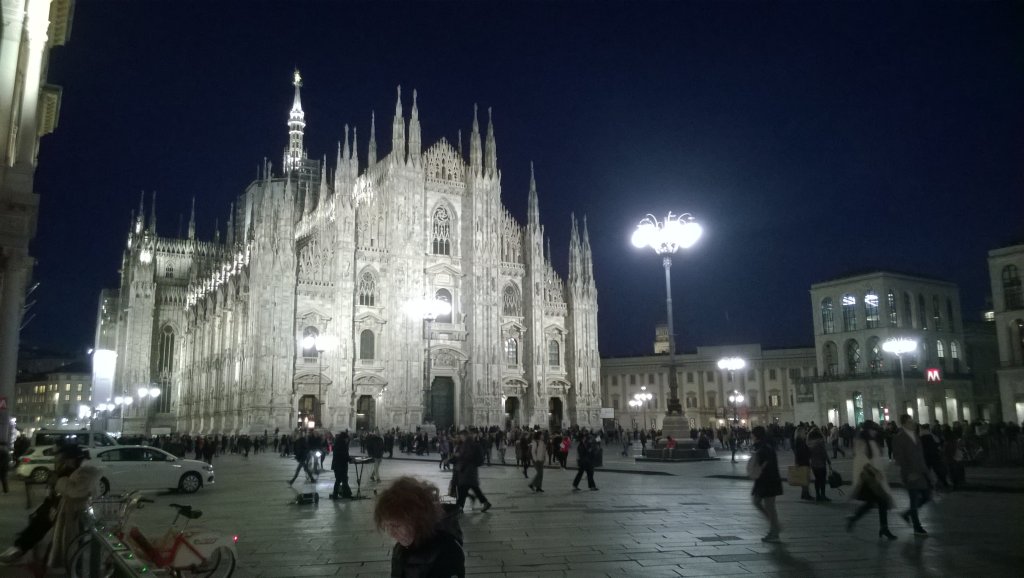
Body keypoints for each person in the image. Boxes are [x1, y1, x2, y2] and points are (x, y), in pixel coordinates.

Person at [0, 444, 93, 565]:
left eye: (59, 456)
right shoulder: (66, 468)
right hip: (55, 507)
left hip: (68, 511)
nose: (56, 459)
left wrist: (56, 484)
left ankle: (22, 550)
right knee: (37, 525)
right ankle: (20, 549)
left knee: (45, 530)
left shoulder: (80, 472)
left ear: (69, 458)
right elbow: (55, 491)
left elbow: (73, 491)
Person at [374, 476, 465, 577]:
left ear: (419, 520)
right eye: (387, 526)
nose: (392, 533)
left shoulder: (447, 551)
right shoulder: (400, 548)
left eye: (396, 525)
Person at [845, 422, 897, 540]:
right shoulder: (862, 441)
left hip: (873, 476)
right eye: (873, 430)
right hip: (869, 478)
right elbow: (862, 459)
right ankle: (883, 528)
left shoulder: (871, 440)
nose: (875, 432)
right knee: (880, 501)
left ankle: (856, 519)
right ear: (868, 430)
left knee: (874, 503)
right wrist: (874, 470)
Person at [892, 414, 932, 535]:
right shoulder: (899, 437)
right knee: (914, 500)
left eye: (912, 421)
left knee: (926, 496)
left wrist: (926, 471)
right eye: (910, 422)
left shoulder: (916, 436)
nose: (913, 423)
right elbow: (899, 458)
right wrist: (909, 472)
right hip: (910, 474)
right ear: (904, 424)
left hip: (920, 472)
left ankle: (907, 514)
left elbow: (920, 455)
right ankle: (917, 526)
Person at [747, 426, 782, 543]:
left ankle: (774, 529)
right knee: (760, 503)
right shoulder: (764, 446)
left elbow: (765, 464)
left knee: (768, 506)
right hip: (766, 480)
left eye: (752, 434)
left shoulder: (764, 447)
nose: (751, 437)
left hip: (768, 480)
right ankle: (775, 526)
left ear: (756, 435)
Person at [452, 431, 492, 513]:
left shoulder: (469, 445)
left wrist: (459, 456)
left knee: (463, 489)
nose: (460, 438)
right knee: (472, 489)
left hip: (467, 471)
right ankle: (485, 503)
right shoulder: (467, 444)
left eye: (461, 436)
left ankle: (459, 507)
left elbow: (467, 456)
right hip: (468, 471)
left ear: (464, 436)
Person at [807, 427, 831, 502]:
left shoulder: (809, 443)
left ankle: (818, 495)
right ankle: (823, 495)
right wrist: (828, 461)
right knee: (822, 480)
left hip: (813, 464)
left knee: (817, 480)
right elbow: (824, 453)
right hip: (821, 463)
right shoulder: (820, 443)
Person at [329, 432, 353, 499]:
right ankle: (347, 494)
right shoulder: (343, 445)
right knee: (344, 480)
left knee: (338, 480)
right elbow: (344, 455)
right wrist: (350, 459)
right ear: (344, 438)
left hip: (336, 465)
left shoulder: (337, 443)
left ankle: (335, 494)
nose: (347, 440)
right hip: (341, 466)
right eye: (347, 439)